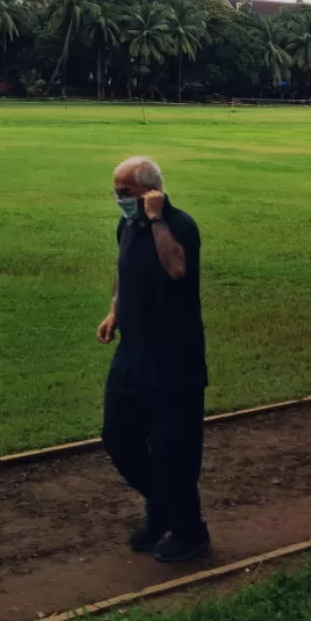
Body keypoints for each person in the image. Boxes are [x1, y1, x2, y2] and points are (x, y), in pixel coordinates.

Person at [97, 155, 209, 564]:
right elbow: (124, 270)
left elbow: (177, 269)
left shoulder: (180, 225)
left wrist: (158, 219)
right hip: (133, 353)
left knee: (172, 449)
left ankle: (190, 531)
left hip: (175, 359)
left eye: (125, 192)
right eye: (116, 192)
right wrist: (114, 310)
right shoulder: (127, 224)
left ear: (150, 192)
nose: (118, 200)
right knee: (118, 437)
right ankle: (164, 507)